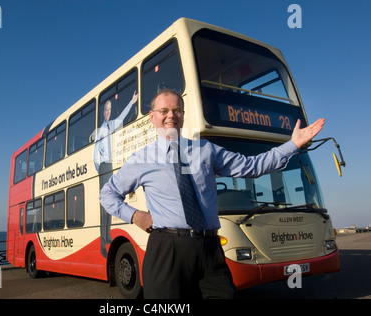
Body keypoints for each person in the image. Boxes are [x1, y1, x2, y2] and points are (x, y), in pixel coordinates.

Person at [99, 89, 325, 298]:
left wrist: (293, 144)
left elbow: (252, 166)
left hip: (209, 249)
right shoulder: (141, 159)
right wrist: (135, 216)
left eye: (177, 110)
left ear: (183, 115)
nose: (171, 116)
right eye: (164, 111)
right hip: (167, 249)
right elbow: (107, 193)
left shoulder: (206, 150)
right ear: (152, 116)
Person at [94, 90, 139, 258]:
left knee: (110, 201)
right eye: (106, 109)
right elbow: (94, 154)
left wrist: (132, 102)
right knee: (103, 203)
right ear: (102, 112)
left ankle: (107, 235)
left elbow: (122, 116)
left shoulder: (113, 124)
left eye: (109, 109)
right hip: (104, 167)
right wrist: (100, 169)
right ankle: (101, 243)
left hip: (112, 165)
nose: (108, 112)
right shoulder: (100, 131)